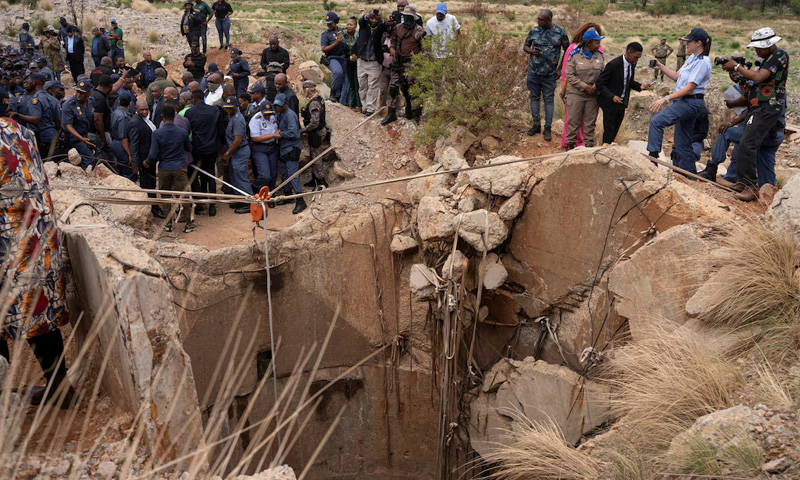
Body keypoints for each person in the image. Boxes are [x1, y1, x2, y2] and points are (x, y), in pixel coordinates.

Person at [1, 118, 74, 409]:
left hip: (10, 245)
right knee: (39, 315)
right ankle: (59, 389)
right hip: (38, 240)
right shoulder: (16, 129)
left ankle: (4, 400)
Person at [722, 27, 789, 201]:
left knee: (748, 144)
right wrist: (744, 82)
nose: (757, 51)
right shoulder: (768, 59)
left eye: (759, 48)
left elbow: (759, 77)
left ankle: (750, 186)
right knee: (746, 143)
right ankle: (744, 182)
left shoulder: (779, 55)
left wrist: (737, 66)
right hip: (758, 107)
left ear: (769, 44)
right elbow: (760, 82)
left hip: (767, 108)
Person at [647, 27, 712, 174]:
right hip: (685, 101)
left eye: (689, 41)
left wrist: (665, 98)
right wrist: (661, 66)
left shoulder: (703, 62)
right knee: (682, 143)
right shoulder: (692, 58)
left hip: (690, 102)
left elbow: (689, 88)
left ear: (699, 43)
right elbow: (677, 76)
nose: (686, 44)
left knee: (657, 121)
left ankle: (653, 158)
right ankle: (689, 173)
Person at [144, 105, 193, 232]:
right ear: (174, 116)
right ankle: (188, 224)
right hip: (180, 168)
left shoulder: (157, 133)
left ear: (162, 116)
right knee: (184, 195)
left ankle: (168, 223)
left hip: (164, 168)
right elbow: (188, 148)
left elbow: (153, 154)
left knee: (165, 196)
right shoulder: (182, 132)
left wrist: (146, 162)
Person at [523, 9, 570, 141]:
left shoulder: (560, 32)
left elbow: (568, 51)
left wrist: (560, 69)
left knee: (549, 100)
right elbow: (525, 46)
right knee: (534, 97)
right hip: (534, 72)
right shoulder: (534, 31)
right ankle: (536, 125)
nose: (539, 21)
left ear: (549, 20)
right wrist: (532, 52)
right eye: (538, 19)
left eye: (541, 19)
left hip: (550, 74)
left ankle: (547, 128)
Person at [696, 70, 750, 183]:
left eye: (736, 71)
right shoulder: (735, 89)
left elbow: (751, 109)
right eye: (731, 73)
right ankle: (731, 178)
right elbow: (743, 110)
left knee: (726, 132)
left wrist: (731, 122)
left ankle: (712, 167)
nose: (734, 75)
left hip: (756, 128)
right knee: (737, 153)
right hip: (747, 125)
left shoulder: (753, 84)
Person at [558, 22, 603, 148]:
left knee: (590, 123)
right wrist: (585, 87)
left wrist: (596, 86)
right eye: (596, 42)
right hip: (576, 94)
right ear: (588, 43)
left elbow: (603, 73)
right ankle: (570, 146)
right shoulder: (575, 55)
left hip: (592, 95)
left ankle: (588, 147)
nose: (599, 45)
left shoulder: (599, 56)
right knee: (573, 122)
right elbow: (569, 75)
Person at [597, 42, 649, 146]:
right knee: (609, 129)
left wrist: (639, 86)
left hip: (622, 102)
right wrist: (612, 96)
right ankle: (605, 150)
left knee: (615, 129)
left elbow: (628, 81)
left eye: (639, 58)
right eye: (636, 57)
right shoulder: (613, 65)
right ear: (629, 53)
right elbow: (600, 84)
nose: (637, 60)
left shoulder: (632, 64)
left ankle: (610, 148)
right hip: (610, 103)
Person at [381, 5, 425, 125]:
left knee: (414, 90)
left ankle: (416, 115)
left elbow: (426, 49)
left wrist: (420, 64)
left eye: (409, 17)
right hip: (398, 63)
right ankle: (391, 113)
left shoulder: (419, 31)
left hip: (412, 64)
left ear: (414, 18)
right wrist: (392, 49)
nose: (407, 20)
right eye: (405, 17)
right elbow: (393, 41)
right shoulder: (397, 28)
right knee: (393, 88)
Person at [184, 89, 223, 216]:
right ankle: (212, 206)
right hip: (212, 148)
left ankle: (200, 203)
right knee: (210, 175)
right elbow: (220, 130)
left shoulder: (190, 112)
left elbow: (187, 131)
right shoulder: (214, 110)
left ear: (193, 99)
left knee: (194, 174)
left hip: (197, 148)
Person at [127, 99, 166, 219]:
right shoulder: (135, 123)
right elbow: (134, 144)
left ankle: (153, 206)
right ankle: (152, 207)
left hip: (150, 158)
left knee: (152, 183)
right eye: (141, 110)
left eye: (146, 109)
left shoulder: (146, 120)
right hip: (144, 159)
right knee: (147, 184)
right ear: (136, 109)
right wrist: (135, 162)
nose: (144, 112)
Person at [8, 73, 59, 155]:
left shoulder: (35, 98)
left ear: (34, 82)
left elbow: (36, 119)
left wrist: (17, 115)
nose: (27, 82)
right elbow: (58, 120)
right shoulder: (52, 98)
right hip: (52, 134)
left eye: (29, 80)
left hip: (41, 136)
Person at [274, 92, 307, 214]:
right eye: (276, 105)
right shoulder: (280, 113)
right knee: (284, 172)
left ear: (286, 104)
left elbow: (293, 132)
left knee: (293, 175)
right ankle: (288, 195)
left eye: (280, 105)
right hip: (284, 148)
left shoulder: (290, 115)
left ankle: (300, 200)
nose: (277, 107)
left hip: (291, 148)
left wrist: (280, 134)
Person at [221, 96, 252, 213]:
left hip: (240, 151)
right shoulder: (232, 117)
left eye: (231, 108)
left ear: (237, 106)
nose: (228, 110)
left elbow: (237, 140)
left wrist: (227, 153)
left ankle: (249, 202)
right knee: (235, 177)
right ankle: (240, 199)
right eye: (227, 108)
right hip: (235, 152)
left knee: (241, 177)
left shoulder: (238, 119)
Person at [300, 80, 331, 190]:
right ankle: (314, 179)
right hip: (316, 131)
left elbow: (314, 122)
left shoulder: (313, 103)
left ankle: (321, 181)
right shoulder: (318, 99)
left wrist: (303, 130)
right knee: (314, 155)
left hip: (316, 132)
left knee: (316, 157)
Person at [355, 10, 385, 116]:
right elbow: (361, 20)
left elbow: (384, 26)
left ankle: (370, 109)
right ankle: (364, 107)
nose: (373, 21)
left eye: (375, 19)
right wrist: (367, 16)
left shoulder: (380, 29)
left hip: (374, 62)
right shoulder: (363, 27)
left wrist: (381, 19)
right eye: (371, 18)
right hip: (362, 61)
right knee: (362, 86)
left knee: (373, 87)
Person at [62, 79, 96, 169]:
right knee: (89, 159)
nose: (79, 94)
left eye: (82, 92)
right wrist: (82, 139)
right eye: (77, 91)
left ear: (88, 93)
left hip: (86, 135)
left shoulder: (91, 101)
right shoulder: (69, 104)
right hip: (74, 138)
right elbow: (68, 126)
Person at [249, 101, 280, 192]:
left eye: (269, 113)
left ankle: (270, 193)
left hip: (272, 147)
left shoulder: (274, 116)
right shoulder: (256, 119)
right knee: (265, 175)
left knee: (273, 174)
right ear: (261, 111)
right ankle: (255, 188)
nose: (268, 116)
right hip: (260, 148)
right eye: (265, 114)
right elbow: (255, 138)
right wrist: (273, 135)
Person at [321, 12, 348, 104]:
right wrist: (335, 43)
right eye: (327, 23)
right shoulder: (325, 34)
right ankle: (333, 92)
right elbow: (323, 49)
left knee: (345, 80)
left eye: (330, 23)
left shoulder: (342, 31)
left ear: (336, 22)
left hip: (343, 58)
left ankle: (343, 100)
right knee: (338, 72)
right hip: (332, 57)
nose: (328, 25)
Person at [109, 91, 135, 179]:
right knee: (127, 172)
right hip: (122, 145)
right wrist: (129, 154)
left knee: (119, 170)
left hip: (115, 142)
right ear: (130, 103)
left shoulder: (116, 112)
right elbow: (123, 137)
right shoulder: (124, 117)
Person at [342, 17, 361, 110]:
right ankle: (352, 104)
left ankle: (359, 105)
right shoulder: (343, 34)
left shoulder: (358, 36)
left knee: (357, 83)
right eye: (347, 24)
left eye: (351, 24)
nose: (349, 26)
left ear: (355, 26)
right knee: (351, 83)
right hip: (347, 61)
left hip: (357, 61)